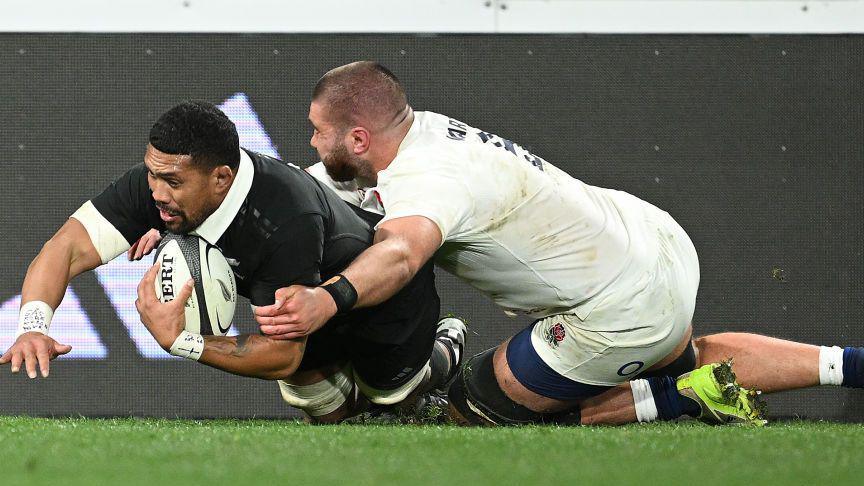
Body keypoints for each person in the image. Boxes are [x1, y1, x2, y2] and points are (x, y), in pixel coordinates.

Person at [252, 61, 864, 426]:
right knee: (686, 351)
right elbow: (315, 190)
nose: (311, 144)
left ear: (358, 139)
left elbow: (403, 253)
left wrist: (329, 300)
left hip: (620, 309)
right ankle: (853, 364)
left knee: (473, 410)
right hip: (651, 242)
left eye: (317, 133)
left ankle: (679, 399)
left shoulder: (426, 180)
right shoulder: (418, 133)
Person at [0, 101, 465, 423]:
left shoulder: (284, 216)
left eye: (173, 182)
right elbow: (64, 248)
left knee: (398, 401)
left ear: (221, 178)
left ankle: (441, 352)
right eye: (151, 174)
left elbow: (282, 355)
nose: (157, 193)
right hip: (297, 310)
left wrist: (181, 342)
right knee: (334, 419)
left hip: (383, 304)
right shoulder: (160, 186)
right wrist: (34, 324)